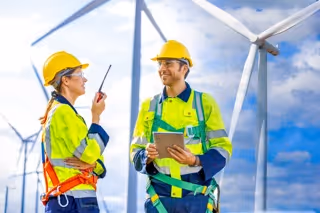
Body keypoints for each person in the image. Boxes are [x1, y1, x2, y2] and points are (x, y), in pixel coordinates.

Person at [130, 40, 232, 213]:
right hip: (159, 200)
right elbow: (135, 151)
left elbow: (223, 150)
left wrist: (195, 160)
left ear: (184, 68)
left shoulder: (205, 103)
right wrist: (146, 156)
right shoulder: (148, 106)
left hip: (196, 200)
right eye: (160, 64)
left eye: (168, 63)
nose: (162, 68)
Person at [39, 51, 109, 213]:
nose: (85, 79)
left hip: (70, 198)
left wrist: (94, 164)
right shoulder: (63, 112)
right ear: (66, 80)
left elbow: (94, 160)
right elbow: (89, 153)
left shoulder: (64, 112)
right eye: (80, 74)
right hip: (73, 200)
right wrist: (96, 117)